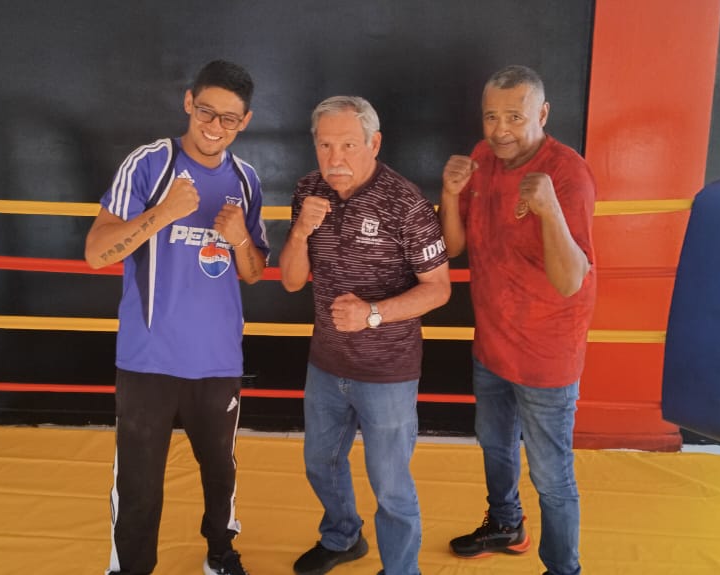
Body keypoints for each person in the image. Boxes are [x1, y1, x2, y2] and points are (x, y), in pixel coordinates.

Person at [84, 59, 270, 575]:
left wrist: (238, 241)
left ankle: (220, 553)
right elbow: (96, 253)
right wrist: (161, 214)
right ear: (189, 102)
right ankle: (130, 568)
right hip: (149, 359)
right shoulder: (150, 163)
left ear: (245, 122)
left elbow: (253, 271)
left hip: (218, 360)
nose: (214, 127)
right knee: (140, 484)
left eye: (229, 119)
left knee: (220, 474)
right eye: (206, 112)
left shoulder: (246, 180)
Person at [281, 95, 451, 575]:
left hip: (388, 373)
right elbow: (292, 281)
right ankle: (342, 537)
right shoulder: (307, 190)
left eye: (349, 145)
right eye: (325, 145)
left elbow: (438, 290)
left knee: (391, 484)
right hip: (326, 364)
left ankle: (401, 569)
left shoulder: (406, 202)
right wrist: (299, 232)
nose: (335, 159)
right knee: (321, 464)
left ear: (373, 144)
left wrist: (373, 313)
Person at [437, 65, 596, 575]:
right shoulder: (482, 158)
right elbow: (456, 249)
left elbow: (572, 279)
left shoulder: (568, 173)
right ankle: (506, 523)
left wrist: (550, 212)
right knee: (495, 446)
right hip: (493, 345)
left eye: (514, 116)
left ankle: (562, 569)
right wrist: (448, 194)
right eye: (491, 116)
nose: (500, 129)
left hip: (548, 355)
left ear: (543, 114)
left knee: (551, 474)